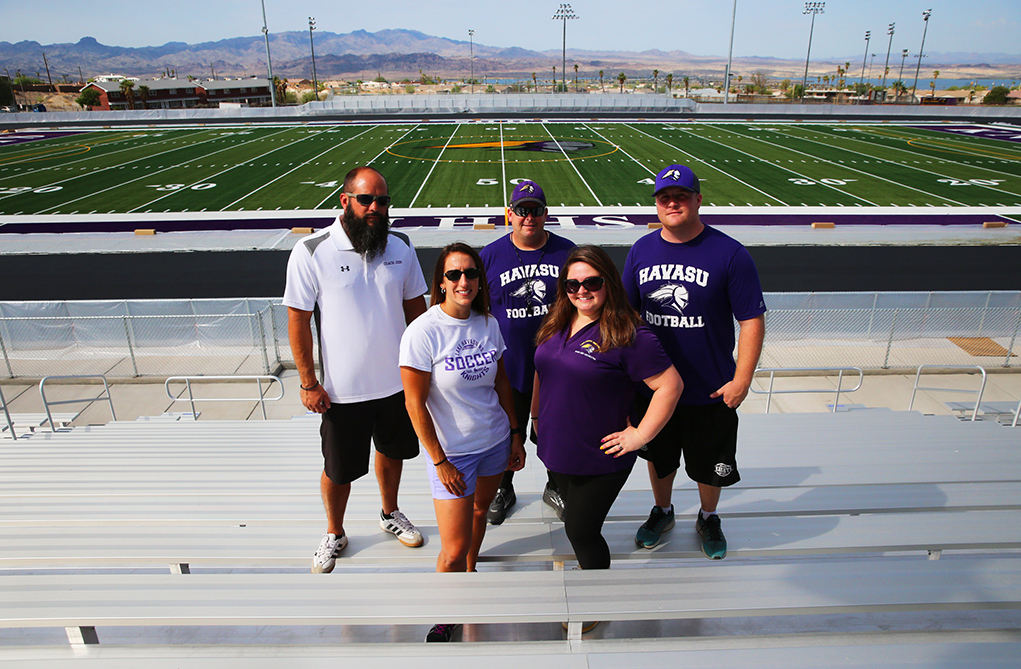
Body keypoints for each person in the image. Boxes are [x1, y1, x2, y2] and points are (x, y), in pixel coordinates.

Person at [284, 166, 429, 575]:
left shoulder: (400, 246)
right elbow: (298, 320)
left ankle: (390, 512)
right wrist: (309, 382)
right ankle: (334, 532)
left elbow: (417, 314)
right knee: (338, 469)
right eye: (367, 199)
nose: (375, 208)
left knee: (393, 452)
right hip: (341, 391)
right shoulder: (312, 251)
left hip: (396, 386)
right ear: (345, 200)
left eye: (382, 201)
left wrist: (424, 374)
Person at [622, 164, 766, 559]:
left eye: (681, 196)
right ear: (656, 204)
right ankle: (663, 510)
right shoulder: (641, 250)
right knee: (659, 456)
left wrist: (743, 379)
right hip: (656, 387)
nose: (673, 203)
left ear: (698, 199)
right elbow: (627, 315)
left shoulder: (730, 253)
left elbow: (752, 319)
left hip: (710, 386)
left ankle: (707, 515)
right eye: (665, 197)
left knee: (709, 464)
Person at [400, 242, 527, 643]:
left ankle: (470, 579)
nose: (463, 281)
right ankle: (445, 612)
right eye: (454, 274)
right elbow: (413, 402)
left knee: (480, 512)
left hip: (492, 441)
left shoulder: (487, 323)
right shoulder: (422, 331)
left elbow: (502, 381)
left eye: (470, 273)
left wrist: (514, 433)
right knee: (451, 550)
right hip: (452, 454)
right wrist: (439, 461)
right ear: (441, 282)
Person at [532, 245, 682, 577]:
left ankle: (598, 599)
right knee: (574, 516)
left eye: (592, 282)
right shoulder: (559, 321)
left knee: (580, 531)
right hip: (559, 451)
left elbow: (670, 386)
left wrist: (640, 435)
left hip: (599, 458)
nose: (581, 291)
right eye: (572, 284)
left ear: (609, 282)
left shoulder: (630, 334)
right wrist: (536, 416)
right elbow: (542, 371)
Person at [479, 179, 575, 524]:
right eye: (522, 211)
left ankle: (557, 485)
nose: (528, 217)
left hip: (558, 367)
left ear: (545, 214)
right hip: (509, 365)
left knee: (556, 433)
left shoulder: (567, 252)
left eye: (535, 210)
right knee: (505, 431)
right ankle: (504, 486)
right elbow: (479, 311)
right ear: (510, 214)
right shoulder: (489, 256)